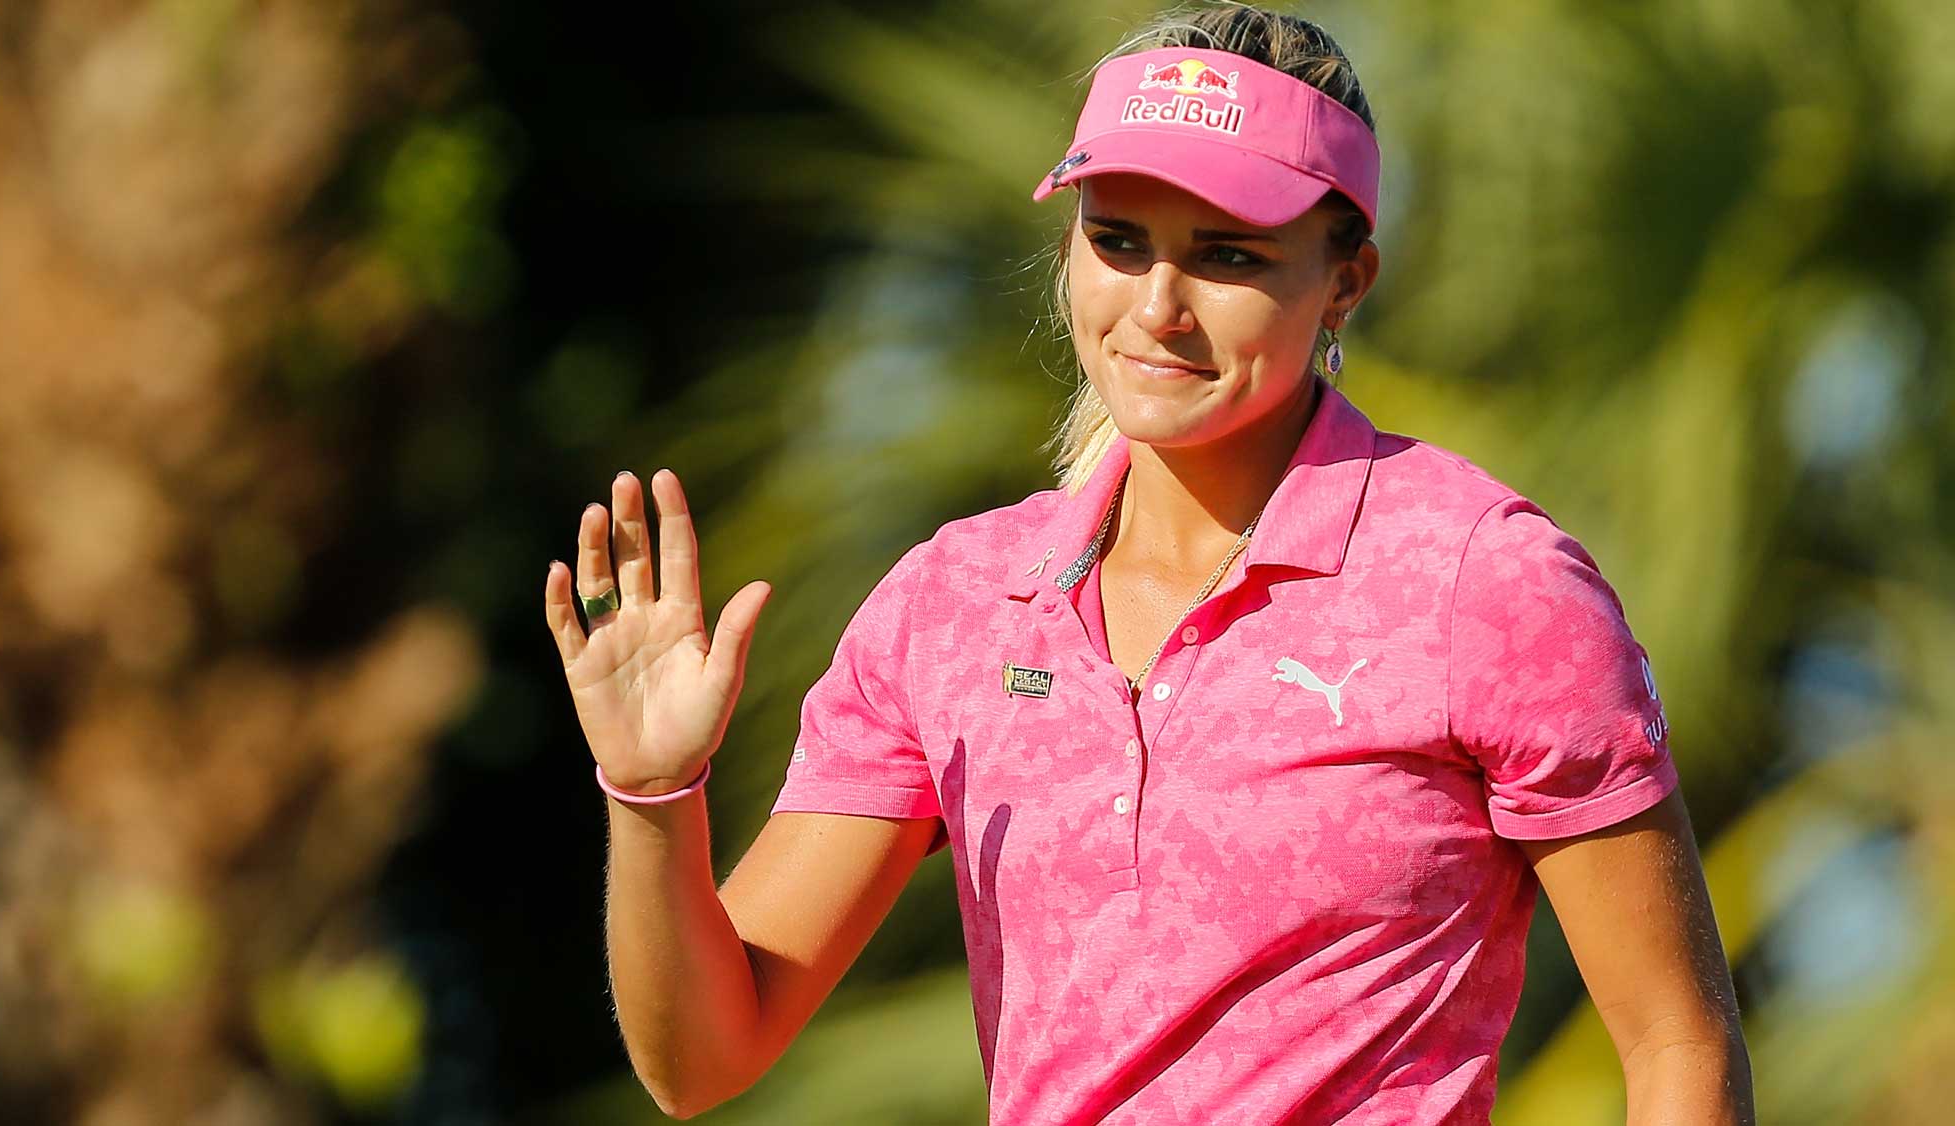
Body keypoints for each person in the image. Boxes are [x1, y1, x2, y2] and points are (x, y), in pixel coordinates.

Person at [541, 4, 1756, 1123]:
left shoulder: (1480, 580)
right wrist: (655, 796)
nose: (1158, 305)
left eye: (1228, 254)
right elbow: (702, 1058)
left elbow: (1674, 1046)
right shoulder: (955, 602)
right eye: (1116, 240)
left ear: (1345, 280)